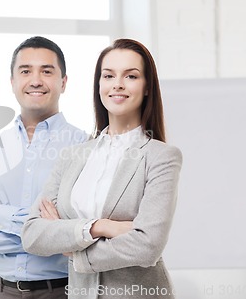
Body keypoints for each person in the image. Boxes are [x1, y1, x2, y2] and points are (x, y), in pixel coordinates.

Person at [21, 38, 183, 299]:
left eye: (130, 76)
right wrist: (98, 227)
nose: (117, 83)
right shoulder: (72, 155)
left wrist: (72, 247)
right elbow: (32, 234)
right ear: (99, 86)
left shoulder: (161, 157)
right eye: (108, 75)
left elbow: (148, 245)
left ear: (146, 88)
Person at [0, 36, 88, 299]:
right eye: (26, 71)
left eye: (47, 71)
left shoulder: (86, 146)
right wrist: (46, 234)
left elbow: (81, 231)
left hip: (61, 291)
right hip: (0, 291)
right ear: (13, 82)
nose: (36, 80)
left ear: (63, 82)